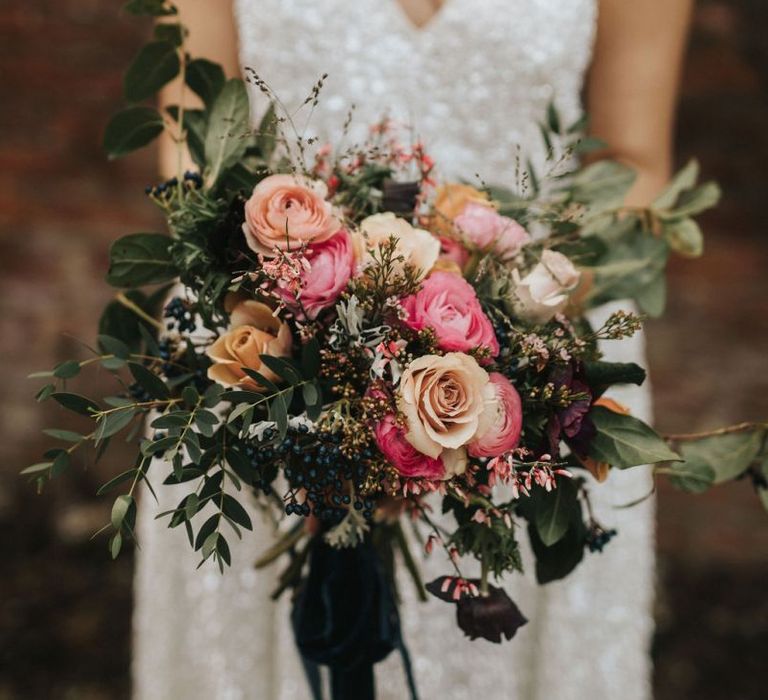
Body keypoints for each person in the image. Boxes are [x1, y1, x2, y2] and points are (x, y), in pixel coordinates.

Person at [135, 1, 693, 698]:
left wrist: (495, 346)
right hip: (259, 341)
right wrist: (312, 346)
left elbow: (635, 167)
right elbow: (191, 147)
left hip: (535, 358)